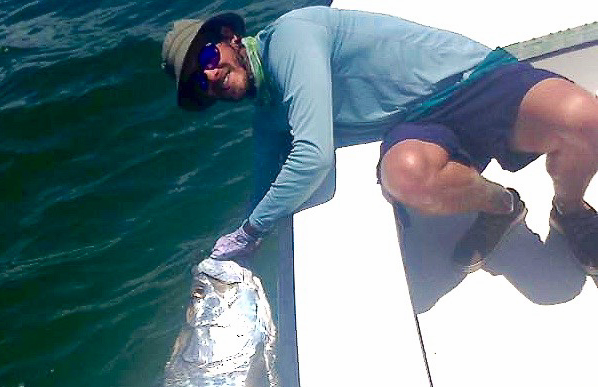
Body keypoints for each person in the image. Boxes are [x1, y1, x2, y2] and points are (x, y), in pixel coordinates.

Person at [161, 8, 598, 275]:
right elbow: (263, 182)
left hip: (472, 79)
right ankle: (503, 206)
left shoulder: (290, 37)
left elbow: (312, 157)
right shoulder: (269, 112)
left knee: (586, 118)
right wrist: (240, 240)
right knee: (405, 175)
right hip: (419, 122)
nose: (209, 76)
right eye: (198, 84)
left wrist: (254, 230)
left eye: (206, 58)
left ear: (230, 39)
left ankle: (570, 210)